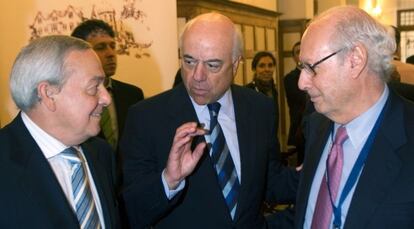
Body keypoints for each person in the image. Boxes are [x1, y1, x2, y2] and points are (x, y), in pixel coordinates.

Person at [121, 12, 298, 228]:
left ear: (235, 64)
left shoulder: (260, 108)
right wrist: (169, 181)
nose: (197, 75)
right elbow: (132, 210)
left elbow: (269, 179)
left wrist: (320, 172)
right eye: (189, 61)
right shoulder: (145, 117)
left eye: (212, 65)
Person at [295, 6, 414, 229]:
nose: (302, 83)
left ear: (355, 60)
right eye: (302, 67)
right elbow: (307, 213)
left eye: (312, 67)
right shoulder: (317, 124)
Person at [0, 35, 120, 228]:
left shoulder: (100, 153)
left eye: (104, 86)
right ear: (48, 94)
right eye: (93, 88)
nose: (106, 98)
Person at [71, 19, 144, 190]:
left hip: (130, 187)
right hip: (88, 185)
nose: (111, 53)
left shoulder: (133, 94)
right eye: (101, 47)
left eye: (112, 46)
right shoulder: (71, 97)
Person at [283, 41, 307, 165]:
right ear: (294, 57)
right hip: (299, 128)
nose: (301, 54)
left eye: (303, 50)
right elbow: (302, 98)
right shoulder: (290, 78)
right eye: (298, 52)